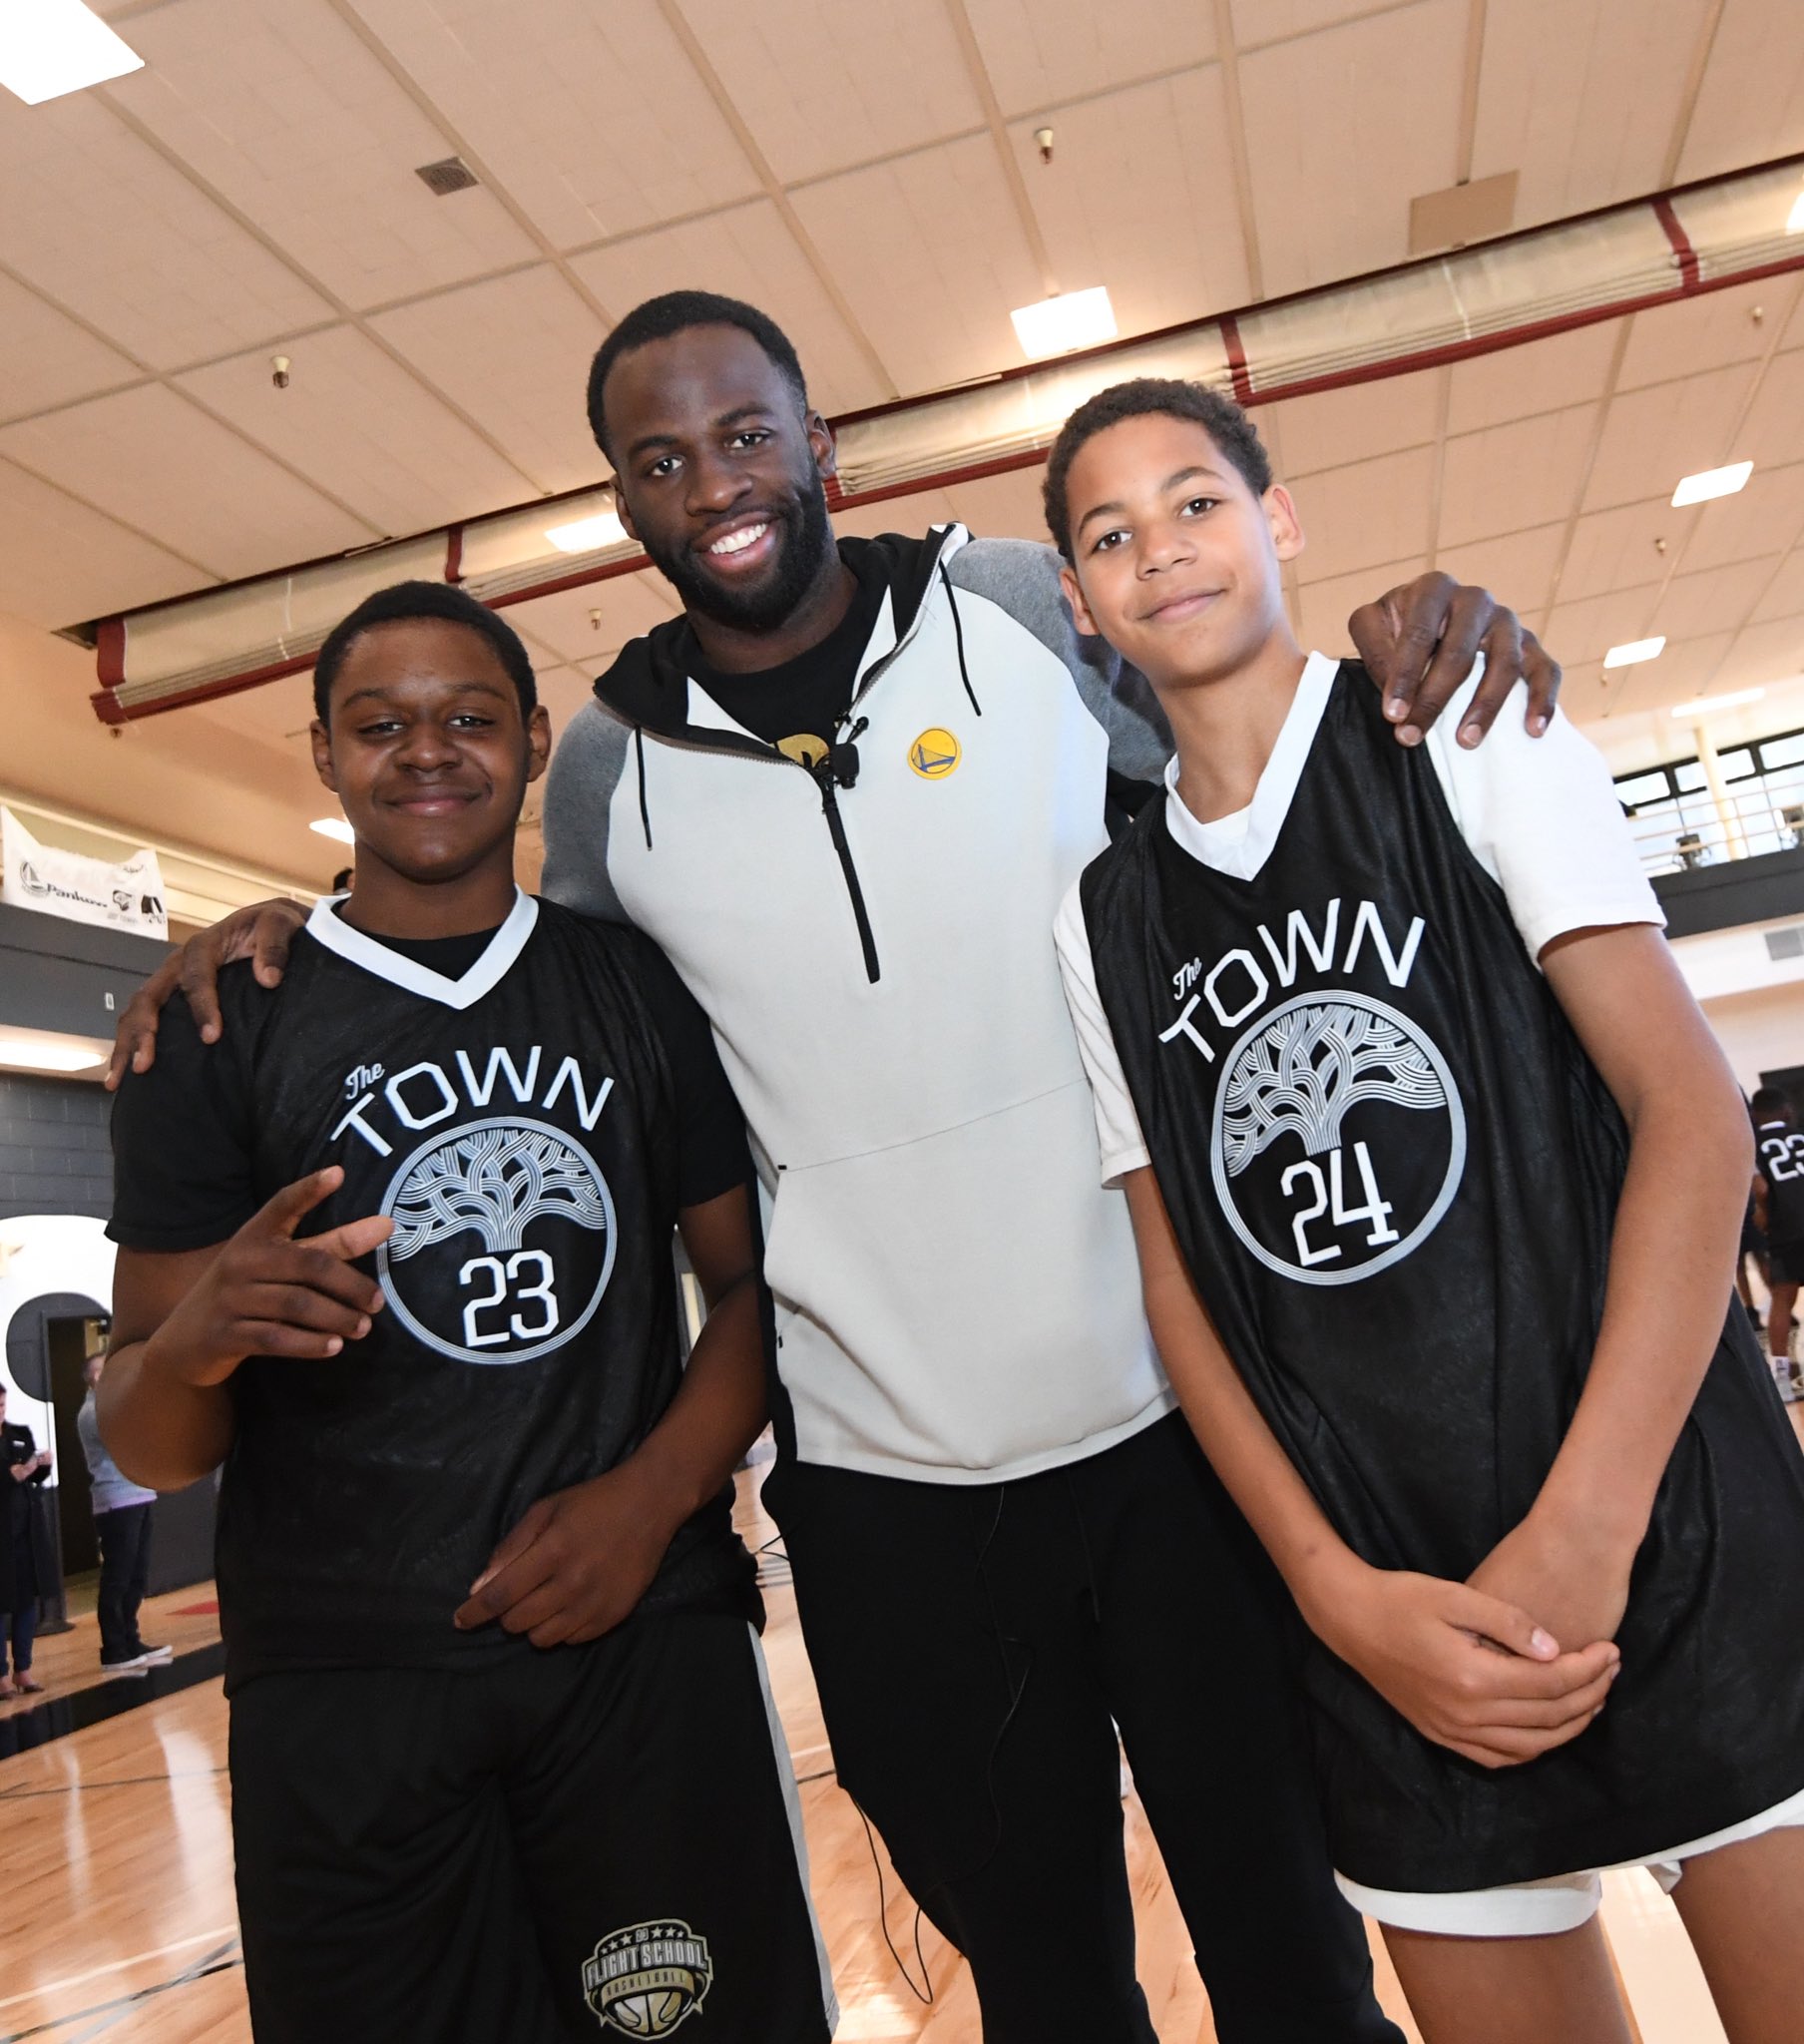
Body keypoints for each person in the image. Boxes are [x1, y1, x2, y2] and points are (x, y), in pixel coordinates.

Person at [110, 292, 1573, 2044]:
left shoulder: (1015, 611)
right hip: (890, 1501)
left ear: (817, 441)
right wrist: (276, 929)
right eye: (659, 460)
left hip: (1183, 1432)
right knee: (1044, 1986)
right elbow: (491, 951)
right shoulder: (601, 772)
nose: (712, 480)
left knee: (1290, 1952)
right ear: (623, 506)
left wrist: (1412, 627)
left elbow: (1234, 736)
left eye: (744, 432)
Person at [1047, 376, 1804, 2044]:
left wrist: (1589, 1527)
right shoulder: (1100, 915)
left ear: (1278, 520)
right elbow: (1180, 1288)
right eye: (1109, 533)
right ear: (1079, 600)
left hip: (1672, 1539)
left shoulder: (1464, 730)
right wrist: (1327, 1590)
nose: (1158, 549)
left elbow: (1691, 1118)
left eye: (1192, 500)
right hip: (1399, 1626)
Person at [99, 581, 833, 2044]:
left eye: (468, 719)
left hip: (635, 1643)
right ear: (321, 753)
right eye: (378, 725)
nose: (425, 752)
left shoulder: (637, 987)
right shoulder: (216, 1023)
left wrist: (656, 1495)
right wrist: (199, 1337)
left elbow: (758, 1282)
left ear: (536, 740)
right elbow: (154, 1436)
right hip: (341, 1682)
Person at [76, 1353, 171, 1673]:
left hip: (140, 1494)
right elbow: (128, 1440)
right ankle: (113, 1648)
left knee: (137, 1574)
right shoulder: (92, 1412)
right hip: (116, 1500)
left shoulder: (114, 1408)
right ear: (94, 1378)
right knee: (118, 1575)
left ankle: (131, 1639)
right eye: (106, 1370)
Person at [0, 1381, 53, 1698]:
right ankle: (1, 1676)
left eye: (3, 1406)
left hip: (26, 1533)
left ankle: (24, 1669)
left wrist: (41, 1467)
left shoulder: (18, 1433)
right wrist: (11, 1476)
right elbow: (9, 1476)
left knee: (26, 1602)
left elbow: (32, 1477)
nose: (1, 1412)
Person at [1751, 1086, 1804, 1401]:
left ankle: (1783, 1380)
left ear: (1755, 1117)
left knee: (1782, 1300)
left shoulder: (1753, 1144)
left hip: (1785, 1228)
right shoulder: (1800, 1135)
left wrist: (1764, 1222)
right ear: (1786, 1112)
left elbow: (1760, 1188)